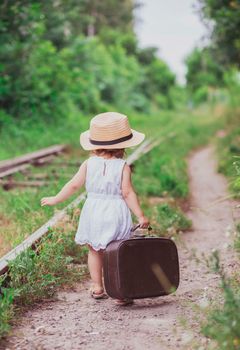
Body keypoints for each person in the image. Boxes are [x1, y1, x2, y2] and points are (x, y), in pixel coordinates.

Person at [41, 112, 149, 306]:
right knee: (117, 251)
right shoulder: (123, 166)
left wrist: (56, 199)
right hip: (115, 212)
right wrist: (140, 215)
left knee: (94, 251)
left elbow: (73, 185)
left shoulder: (88, 164)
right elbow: (127, 193)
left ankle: (98, 287)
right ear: (123, 145)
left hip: (93, 211)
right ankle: (120, 293)